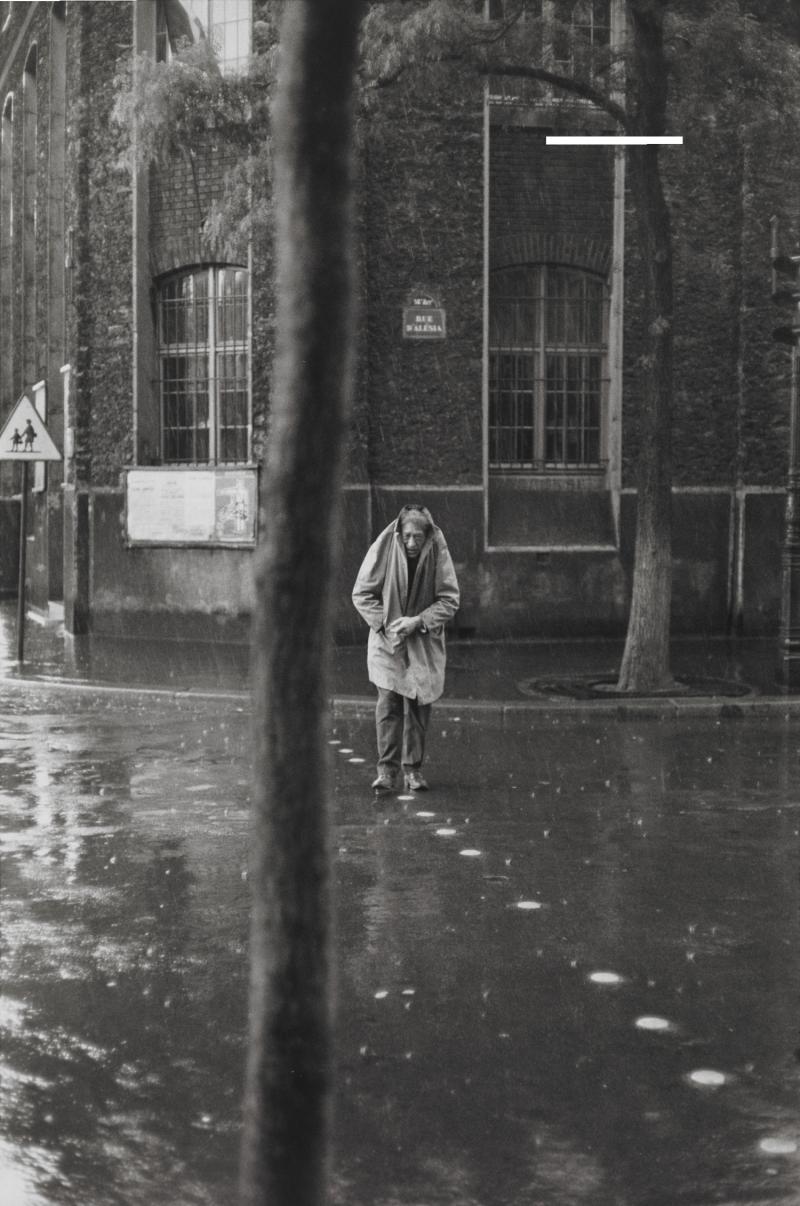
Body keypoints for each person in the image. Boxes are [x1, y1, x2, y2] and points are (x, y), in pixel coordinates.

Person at [352, 503, 460, 794]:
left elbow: (450, 600)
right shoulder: (384, 547)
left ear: (427, 536)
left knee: (418, 706)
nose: (412, 543)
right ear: (399, 533)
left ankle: (413, 770)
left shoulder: (439, 551)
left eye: (418, 538)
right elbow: (361, 594)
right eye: (407, 537)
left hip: (423, 642)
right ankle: (386, 772)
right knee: (388, 704)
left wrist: (419, 621)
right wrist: (386, 625)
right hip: (388, 642)